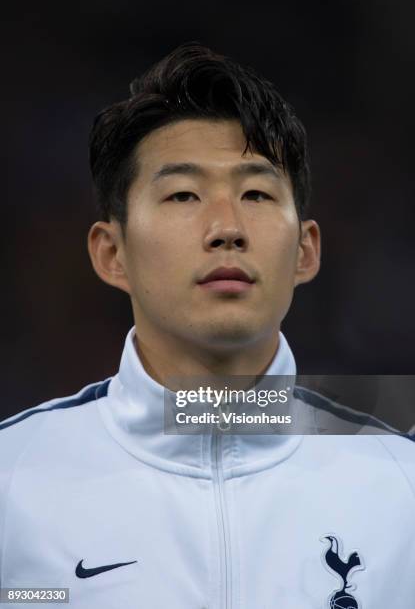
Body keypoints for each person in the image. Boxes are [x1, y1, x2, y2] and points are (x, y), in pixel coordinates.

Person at [0, 43, 414, 608]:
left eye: (256, 193)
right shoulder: (12, 482)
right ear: (111, 253)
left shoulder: (403, 486)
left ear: (305, 251)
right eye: (183, 194)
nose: (227, 228)